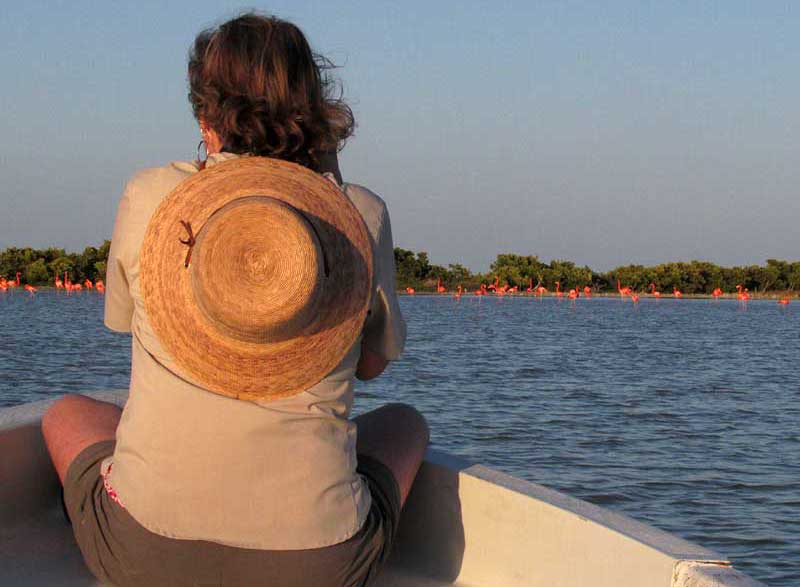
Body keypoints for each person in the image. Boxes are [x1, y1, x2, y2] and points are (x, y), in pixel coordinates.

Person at [41, 13, 428, 587]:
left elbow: (124, 323)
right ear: (317, 113)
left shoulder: (151, 195)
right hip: (319, 566)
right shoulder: (360, 214)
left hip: (145, 557)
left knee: (66, 413)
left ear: (205, 113)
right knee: (405, 424)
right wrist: (328, 179)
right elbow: (370, 366)